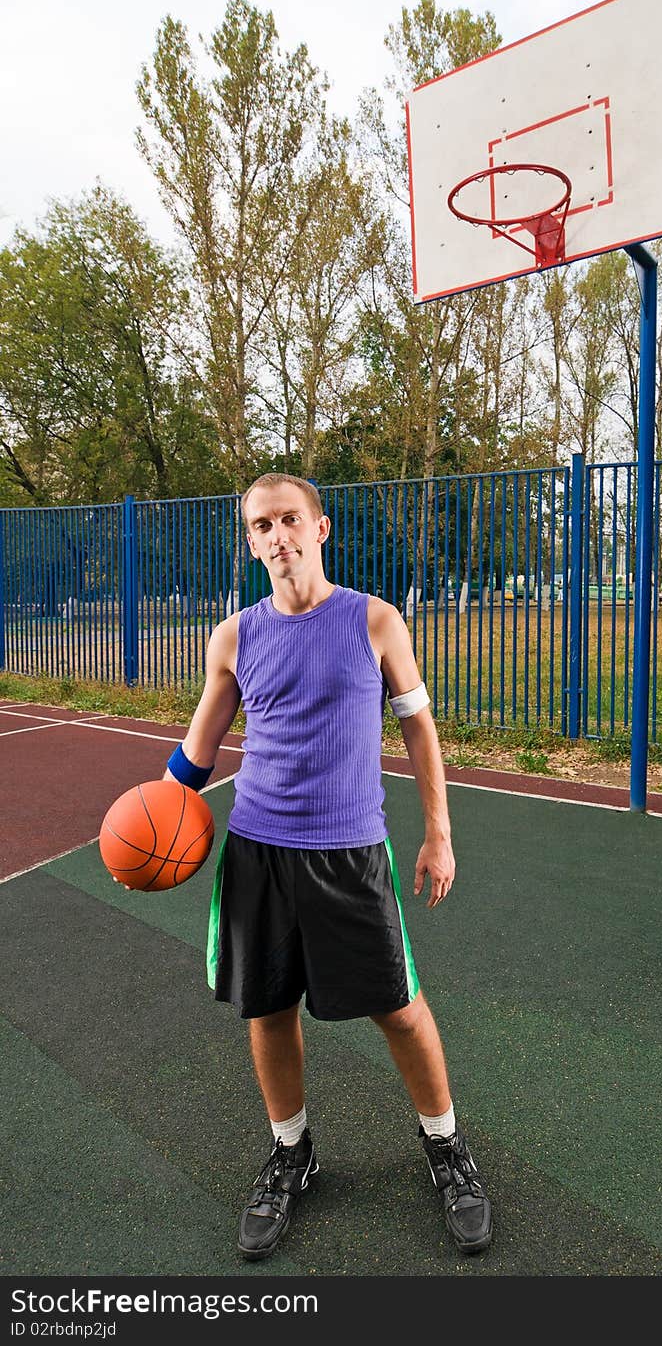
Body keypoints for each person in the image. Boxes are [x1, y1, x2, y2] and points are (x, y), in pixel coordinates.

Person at [162, 473, 493, 1261]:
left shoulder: (375, 621)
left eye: (289, 520)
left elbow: (420, 732)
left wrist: (438, 832)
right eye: (261, 526)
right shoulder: (233, 636)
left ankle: (445, 1147)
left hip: (350, 850)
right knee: (268, 1010)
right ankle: (291, 1152)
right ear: (251, 542)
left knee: (400, 1007)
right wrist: (148, 823)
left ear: (321, 527)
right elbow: (195, 757)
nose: (277, 536)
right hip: (259, 853)